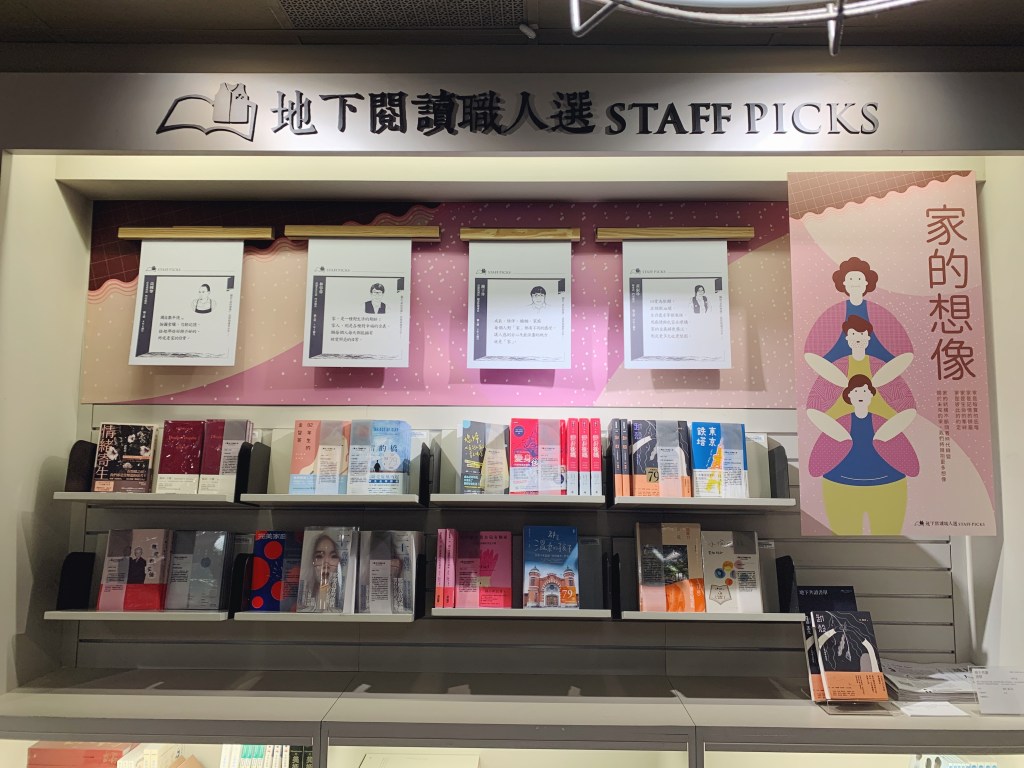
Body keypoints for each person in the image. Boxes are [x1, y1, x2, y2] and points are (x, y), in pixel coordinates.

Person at [807, 374, 919, 535]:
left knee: (886, 530)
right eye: (856, 391)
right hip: (842, 484)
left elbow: (910, 463)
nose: (861, 395)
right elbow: (816, 465)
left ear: (871, 394)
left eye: (865, 391)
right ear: (849, 396)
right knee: (844, 534)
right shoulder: (839, 424)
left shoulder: (883, 423)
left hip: (886, 484)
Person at [303, 532, 342, 612]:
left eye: (333, 556)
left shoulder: (344, 604)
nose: (326, 564)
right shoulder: (303, 603)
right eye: (319, 556)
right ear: (312, 560)